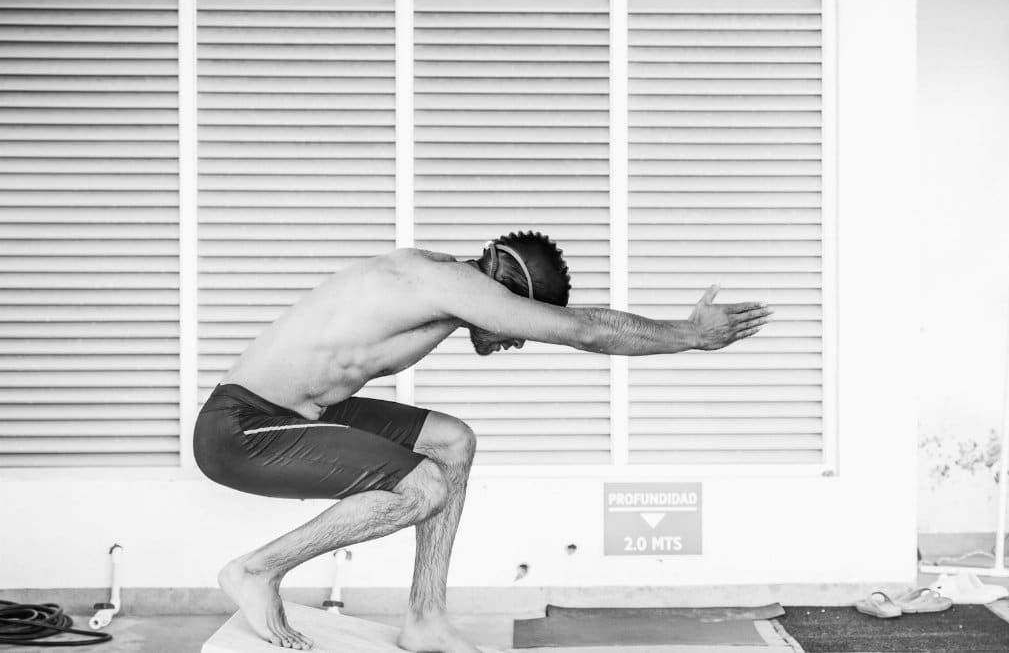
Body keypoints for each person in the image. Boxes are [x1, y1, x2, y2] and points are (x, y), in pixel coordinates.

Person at [193, 231, 772, 652]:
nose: (517, 337)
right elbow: (587, 331)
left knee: (451, 442)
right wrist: (690, 335)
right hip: (242, 427)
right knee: (422, 489)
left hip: (300, 410)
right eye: (519, 319)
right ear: (508, 288)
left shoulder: (444, 281)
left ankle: (426, 617)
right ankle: (258, 571)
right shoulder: (454, 284)